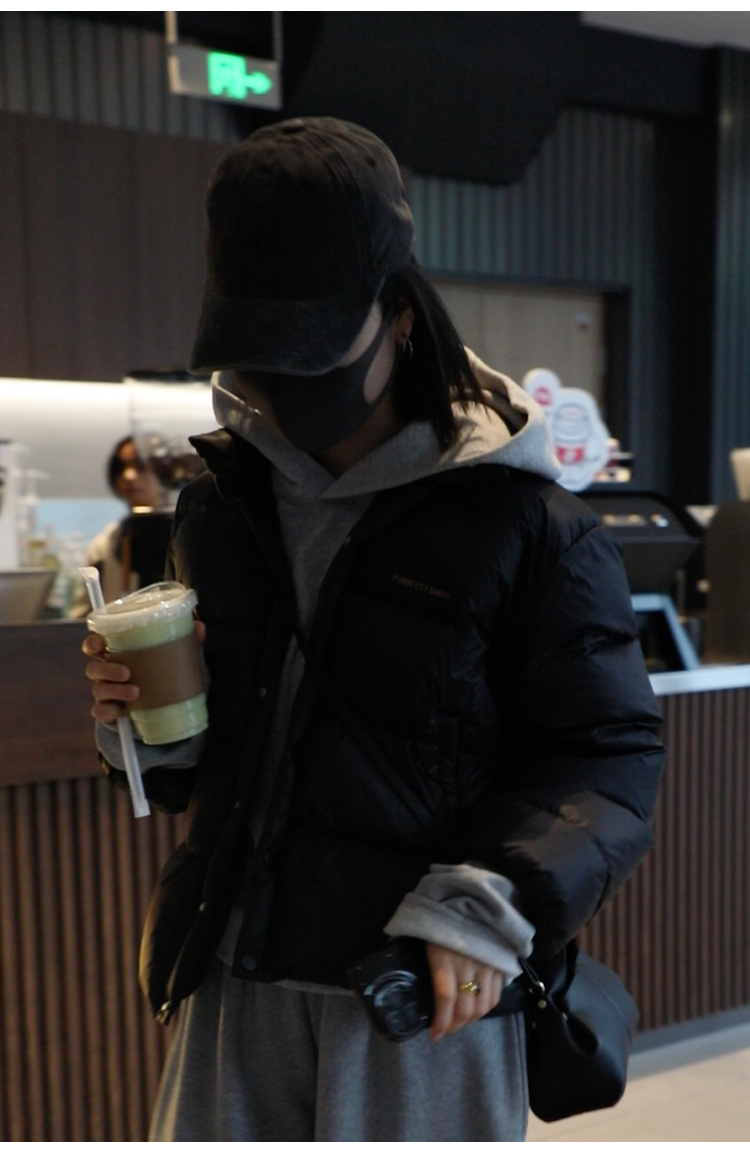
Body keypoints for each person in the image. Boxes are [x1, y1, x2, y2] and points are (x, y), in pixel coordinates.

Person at [82, 117, 664, 1142]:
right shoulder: (220, 506)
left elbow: (605, 756)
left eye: (310, 347)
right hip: (235, 981)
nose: (283, 384)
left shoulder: (525, 524)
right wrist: (141, 726)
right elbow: (204, 769)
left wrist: (489, 906)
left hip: (415, 1004)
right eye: (257, 350)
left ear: (399, 315)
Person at [72, 436, 166, 614]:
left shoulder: (183, 537)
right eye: (121, 467)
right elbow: (84, 612)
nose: (128, 476)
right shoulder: (105, 544)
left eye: (141, 466)